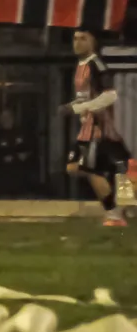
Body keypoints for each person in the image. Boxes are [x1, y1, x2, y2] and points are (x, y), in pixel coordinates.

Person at [61, 29, 133, 227]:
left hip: (98, 128)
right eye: (75, 38)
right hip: (87, 127)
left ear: (93, 42)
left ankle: (115, 215)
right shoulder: (81, 65)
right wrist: (73, 106)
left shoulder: (96, 64)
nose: (77, 42)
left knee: (90, 169)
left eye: (83, 39)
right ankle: (117, 204)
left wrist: (78, 108)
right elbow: (86, 96)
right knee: (76, 168)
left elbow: (110, 95)